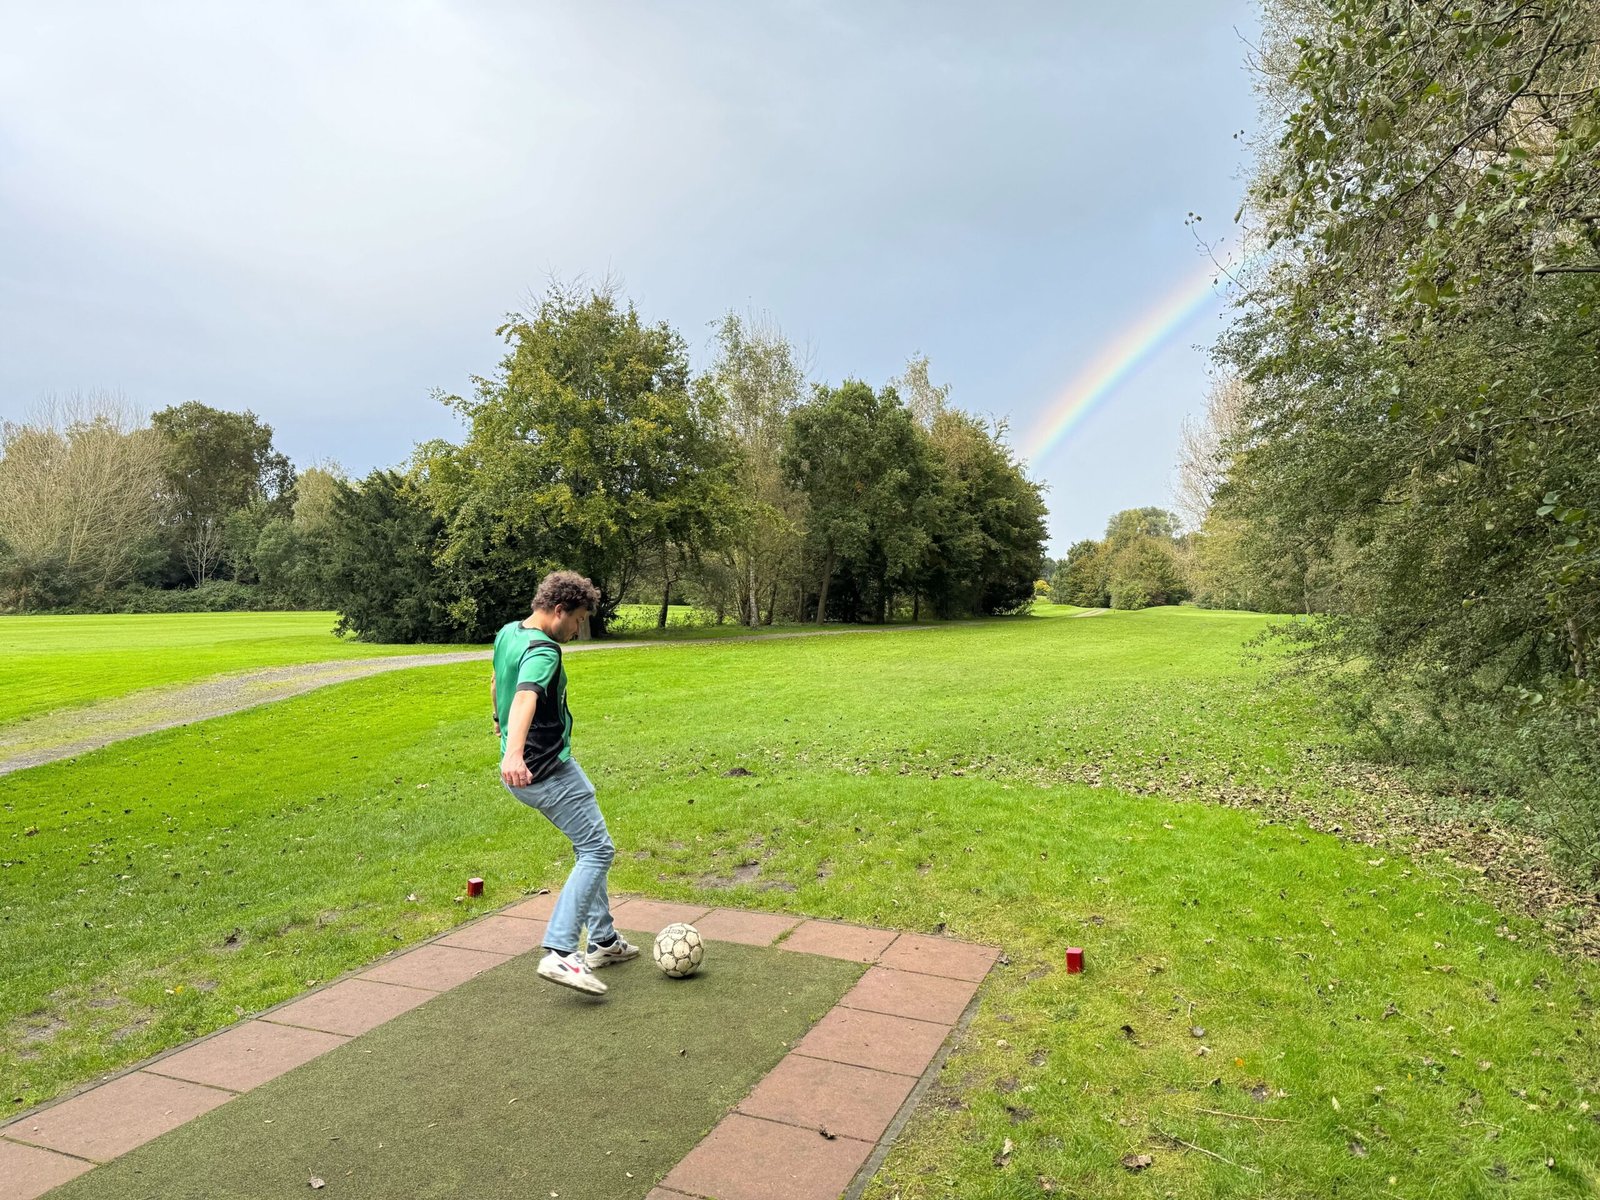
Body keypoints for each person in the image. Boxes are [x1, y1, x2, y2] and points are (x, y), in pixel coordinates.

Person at [491, 571, 637, 995]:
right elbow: (524, 694)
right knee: (597, 849)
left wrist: (500, 728)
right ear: (558, 611)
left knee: (587, 843)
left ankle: (605, 941)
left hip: (533, 767)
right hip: (543, 769)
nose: (577, 629)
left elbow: (499, 681)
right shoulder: (545, 650)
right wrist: (514, 751)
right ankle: (560, 952)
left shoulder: (508, 633)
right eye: (577, 621)